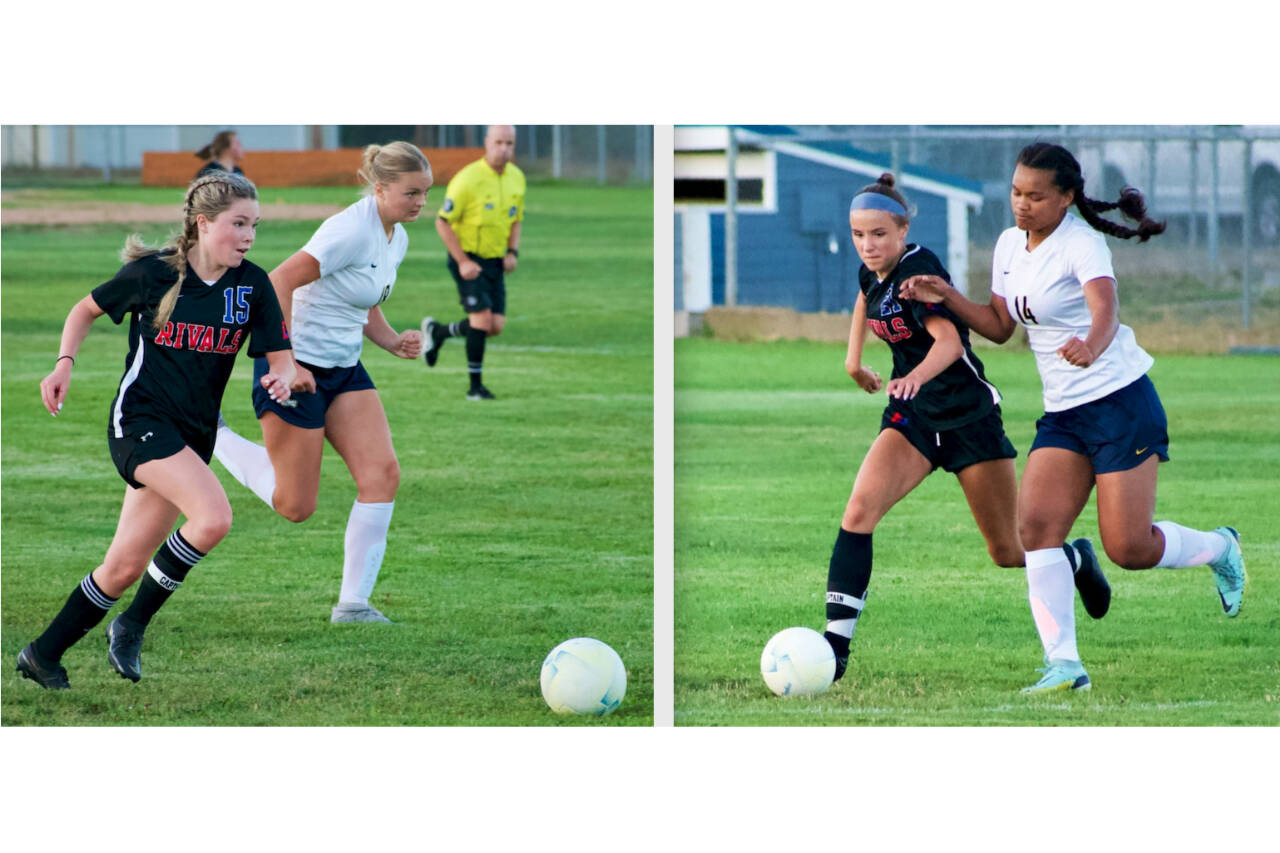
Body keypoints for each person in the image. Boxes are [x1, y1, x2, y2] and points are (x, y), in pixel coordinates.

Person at [900, 142, 1246, 694]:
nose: (1022, 204)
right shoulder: (1010, 244)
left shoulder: (1081, 244)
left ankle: (1221, 547)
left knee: (1128, 549)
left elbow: (1106, 311)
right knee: (1035, 530)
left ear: (1064, 198)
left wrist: (1089, 343)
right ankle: (1064, 665)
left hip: (1119, 404)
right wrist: (945, 296)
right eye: (1016, 192)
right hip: (1063, 414)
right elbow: (997, 326)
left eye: (1036, 196)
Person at [821, 173, 1109, 683]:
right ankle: (834, 650)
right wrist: (853, 361)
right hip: (913, 419)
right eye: (858, 235)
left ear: (903, 229)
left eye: (879, 235)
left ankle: (1072, 557)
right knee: (858, 511)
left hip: (968, 417)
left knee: (1009, 551)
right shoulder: (875, 269)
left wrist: (912, 377)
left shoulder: (918, 269)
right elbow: (866, 298)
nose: (868, 245)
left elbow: (950, 344)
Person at [16, 172, 294, 689]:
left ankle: (42, 654)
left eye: (255, 224)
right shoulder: (154, 273)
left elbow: (281, 357)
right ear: (203, 223)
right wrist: (63, 364)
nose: (249, 235)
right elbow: (85, 310)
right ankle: (132, 624)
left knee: (122, 567)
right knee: (212, 518)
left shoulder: (252, 284)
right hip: (139, 423)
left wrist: (283, 377)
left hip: (192, 437)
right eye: (238, 224)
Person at [212, 142, 430, 623]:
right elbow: (278, 281)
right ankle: (217, 437)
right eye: (411, 193)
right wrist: (285, 363)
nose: (420, 203)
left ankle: (353, 605)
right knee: (295, 506)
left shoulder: (396, 238)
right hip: (295, 368)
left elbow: (363, 297)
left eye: (425, 193)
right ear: (379, 189)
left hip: (344, 369)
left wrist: (391, 340)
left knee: (382, 475)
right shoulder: (350, 230)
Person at [421, 124, 525, 400]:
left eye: (509, 143)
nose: (504, 149)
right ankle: (475, 388)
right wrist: (463, 261)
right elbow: (443, 223)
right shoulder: (467, 179)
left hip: (495, 262)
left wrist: (512, 252)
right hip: (467, 260)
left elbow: (516, 219)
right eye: (499, 142)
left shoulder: (517, 178)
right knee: (481, 320)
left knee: (494, 326)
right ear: (487, 142)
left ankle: (439, 332)